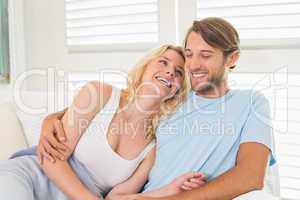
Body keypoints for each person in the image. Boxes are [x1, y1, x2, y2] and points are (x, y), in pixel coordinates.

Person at [38, 17, 277, 200]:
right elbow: (120, 103)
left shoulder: (252, 103)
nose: (194, 65)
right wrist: (50, 120)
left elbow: (251, 176)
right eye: (190, 55)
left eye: (205, 55)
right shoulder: (173, 100)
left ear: (232, 58)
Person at [0, 45, 206, 200]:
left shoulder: (153, 148)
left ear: (178, 89)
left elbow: (117, 198)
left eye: (179, 72)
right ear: (144, 68)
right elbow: (51, 160)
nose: (170, 71)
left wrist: (170, 190)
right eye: (163, 62)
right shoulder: (98, 93)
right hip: (32, 176)